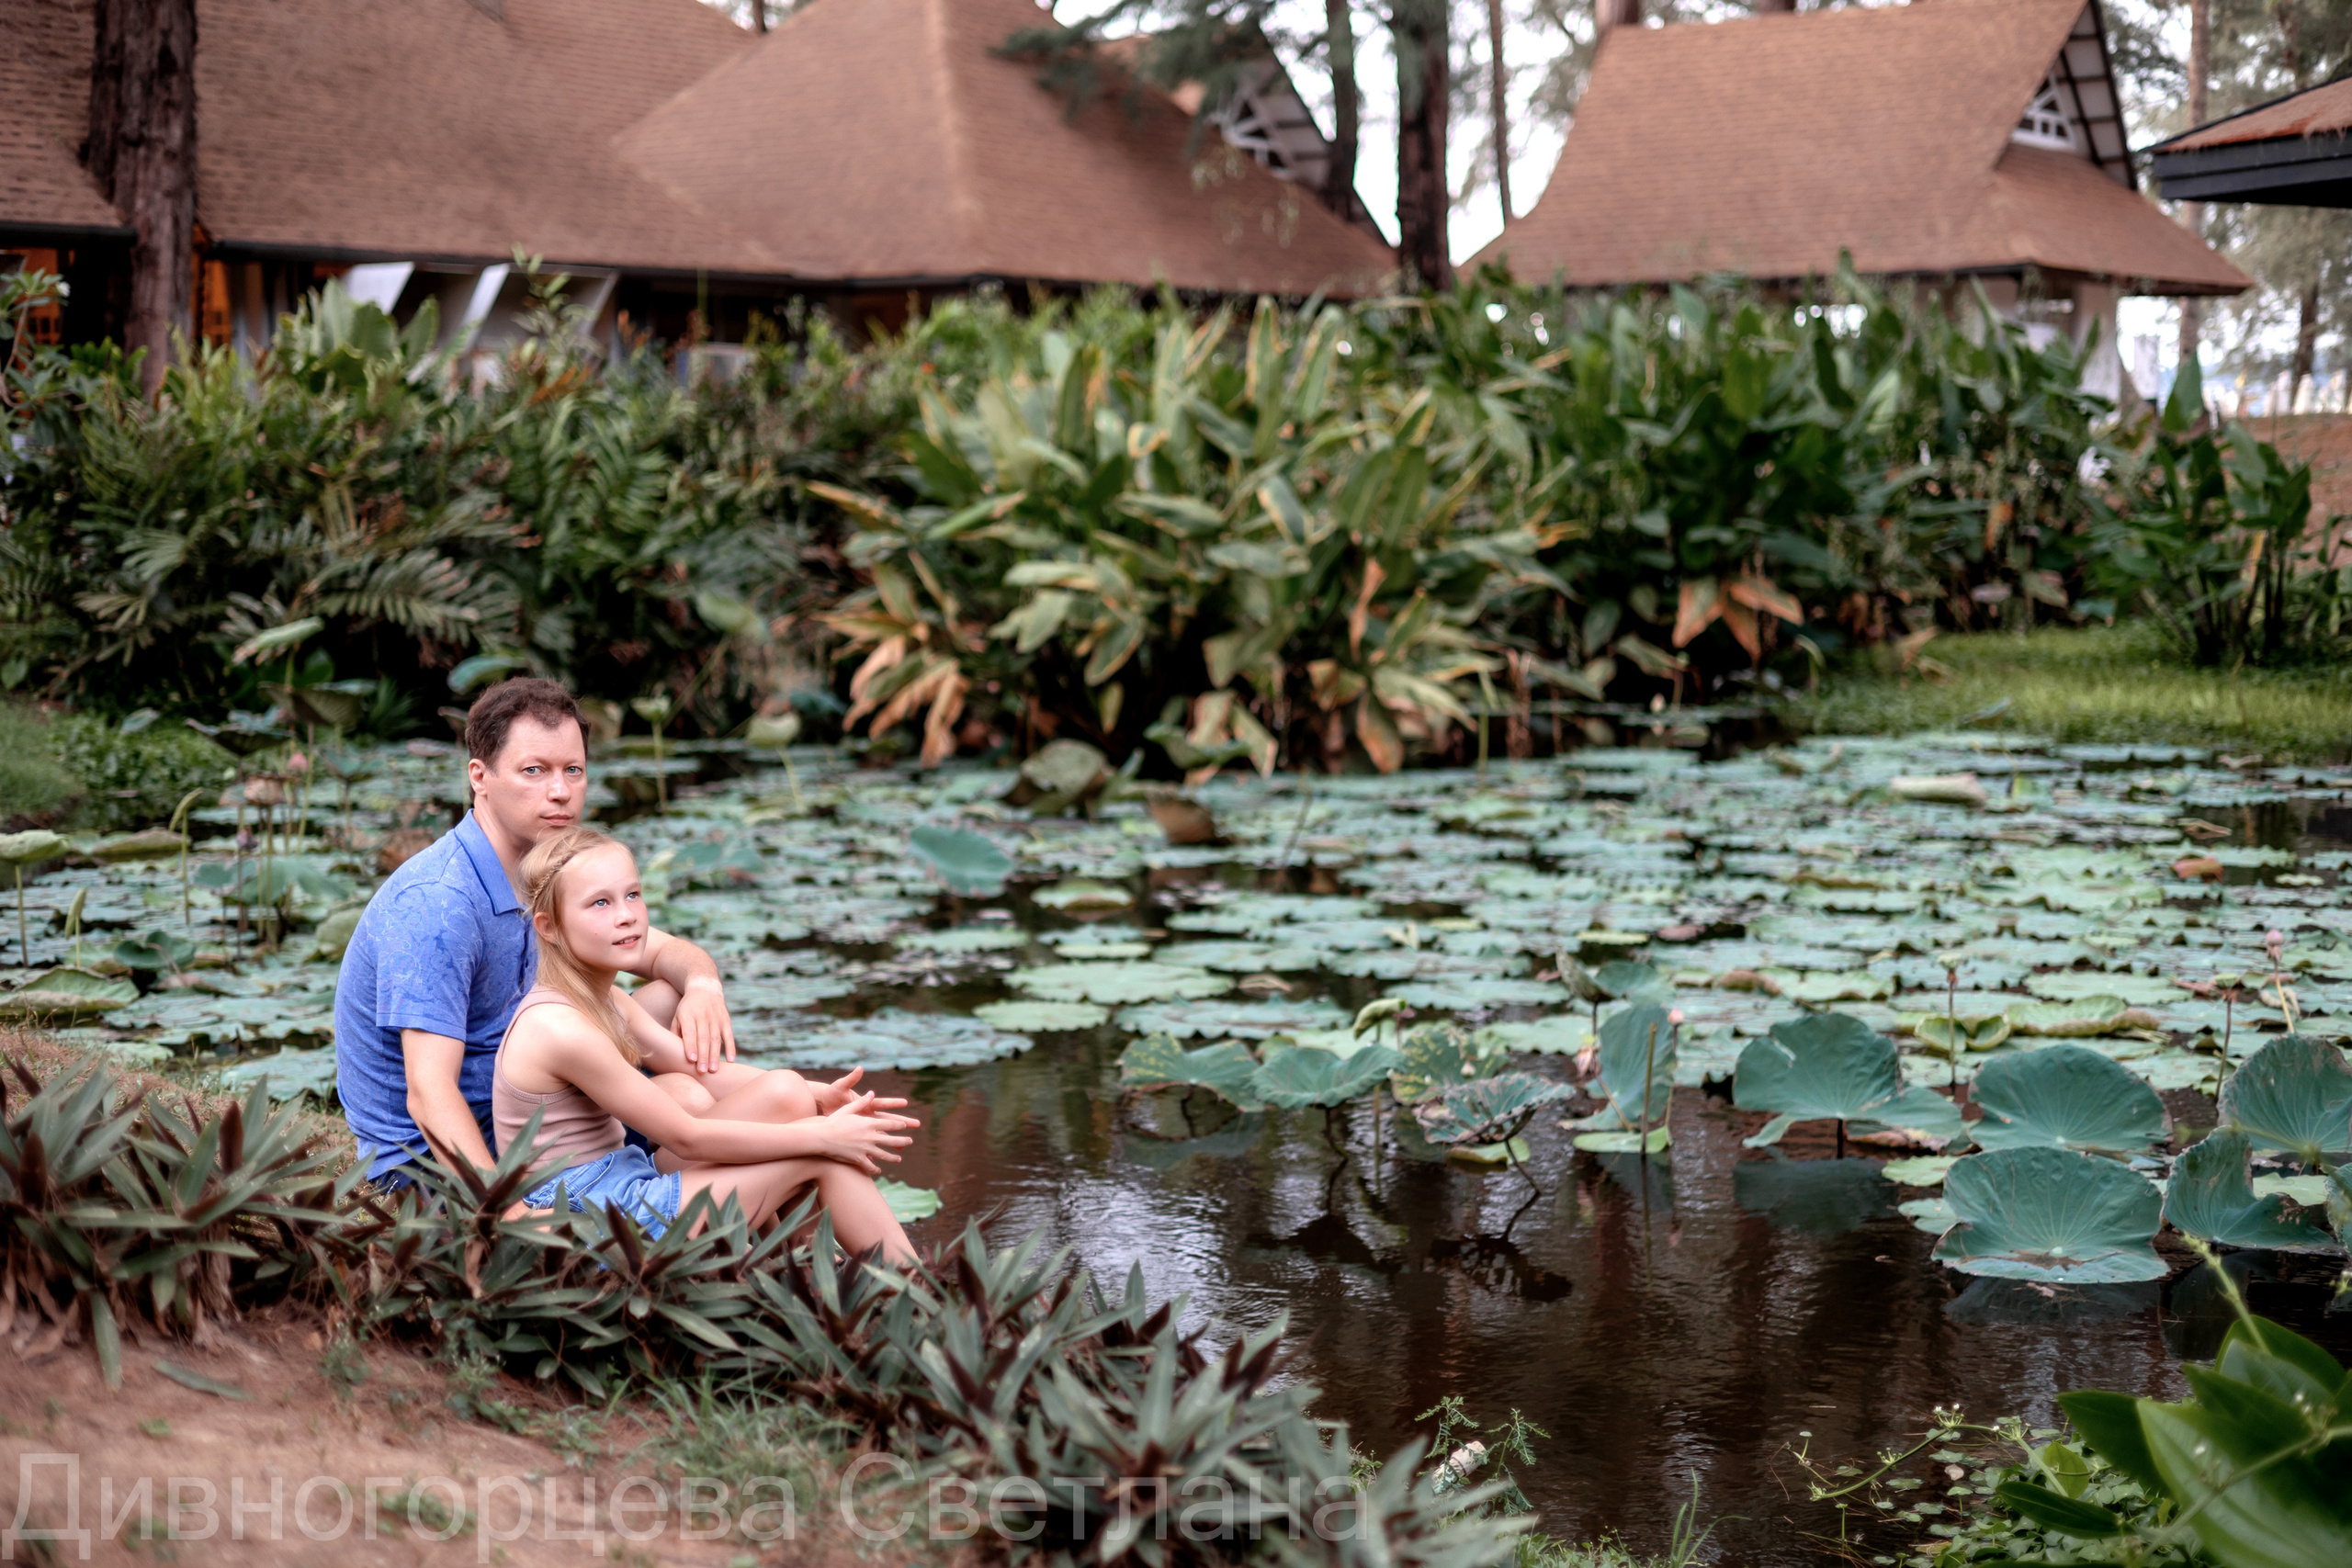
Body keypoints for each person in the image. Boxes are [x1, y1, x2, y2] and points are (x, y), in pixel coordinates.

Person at [334, 678, 744, 1195]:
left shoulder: (544, 870)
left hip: (540, 1099)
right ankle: (731, 1204)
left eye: (573, 770)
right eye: (535, 771)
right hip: (437, 1163)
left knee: (670, 998)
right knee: (685, 1097)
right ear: (480, 777)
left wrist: (705, 984)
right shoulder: (439, 902)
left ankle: (749, 1201)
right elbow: (428, 1092)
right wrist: (503, 1215)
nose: (560, 791)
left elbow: (661, 951)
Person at [494, 827, 920, 1262]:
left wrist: (815, 1095)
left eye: (634, 895)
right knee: (822, 1157)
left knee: (786, 1092)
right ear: (549, 927)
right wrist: (823, 1138)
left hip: (621, 1176)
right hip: (586, 1216)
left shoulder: (605, 998)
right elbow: (688, 1137)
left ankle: (806, 1271)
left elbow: (698, 1068)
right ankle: (915, 1291)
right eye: (600, 903)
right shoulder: (559, 1027)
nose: (627, 915)